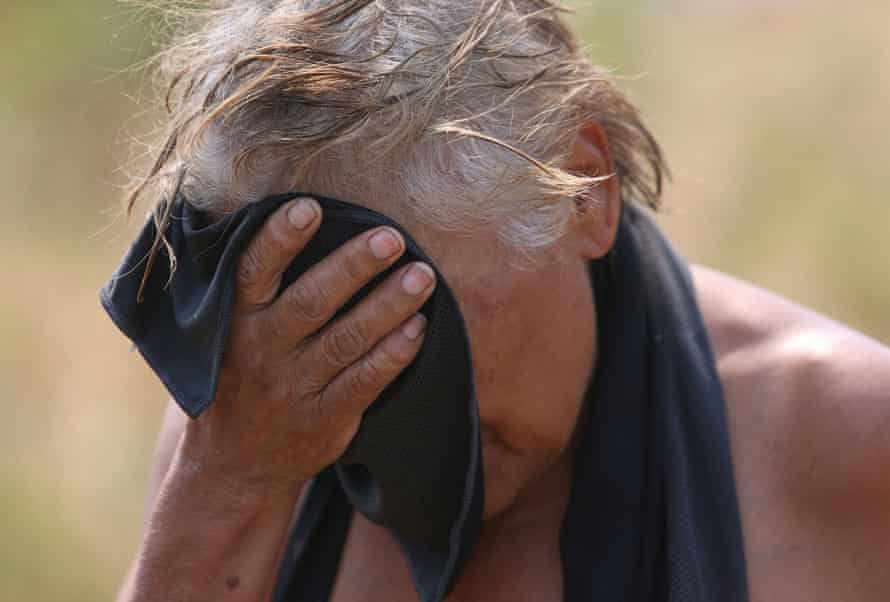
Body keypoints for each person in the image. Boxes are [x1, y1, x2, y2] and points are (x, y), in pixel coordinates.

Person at [112, 2, 890, 601]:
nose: (393, 410)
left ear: (584, 189)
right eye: (338, 331)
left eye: (415, 322)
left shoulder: (842, 441)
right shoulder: (268, 408)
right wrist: (230, 483)